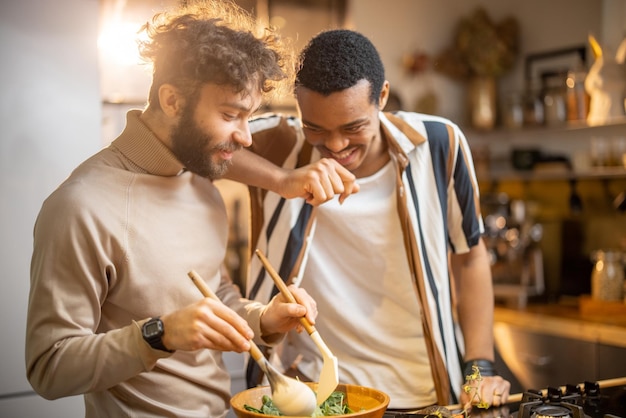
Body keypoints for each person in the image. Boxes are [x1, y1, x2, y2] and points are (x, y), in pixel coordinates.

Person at [24, 1, 343, 416]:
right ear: (172, 100)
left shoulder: (203, 187)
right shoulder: (80, 206)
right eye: (231, 114)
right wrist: (159, 335)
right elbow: (48, 368)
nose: (245, 137)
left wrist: (263, 319)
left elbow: (216, 294)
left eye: (249, 117)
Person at [226, 29, 512, 411]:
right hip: (316, 400)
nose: (336, 146)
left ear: (382, 97)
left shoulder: (440, 143)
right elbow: (191, 144)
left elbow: (470, 257)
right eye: (316, 128)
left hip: (428, 397)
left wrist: (478, 370)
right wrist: (282, 180)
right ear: (298, 107)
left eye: (353, 127)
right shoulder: (280, 144)